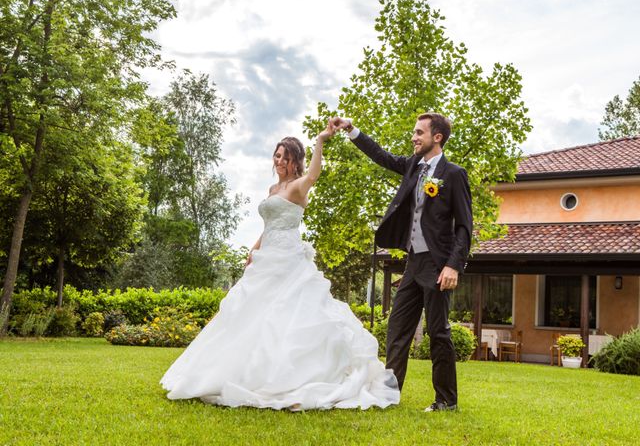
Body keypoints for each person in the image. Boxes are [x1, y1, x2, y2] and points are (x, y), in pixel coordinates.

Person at [160, 122, 399, 411]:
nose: (280, 162)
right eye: (277, 156)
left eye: (286, 157)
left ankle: (288, 376)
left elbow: (314, 174)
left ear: (295, 160)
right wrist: (255, 247)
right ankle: (238, 370)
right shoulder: (273, 187)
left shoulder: (299, 186)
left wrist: (321, 140)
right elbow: (271, 223)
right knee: (248, 313)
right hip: (266, 257)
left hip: (288, 260)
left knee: (285, 316)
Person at [332, 113, 473, 412]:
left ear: (437, 137)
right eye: (414, 132)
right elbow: (381, 156)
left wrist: (453, 265)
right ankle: (388, 394)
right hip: (413, 263)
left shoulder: (454, 174)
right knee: (397, 329)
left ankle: (446, 401)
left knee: (438, 333)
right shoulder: (412, 166)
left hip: (438, 265)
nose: (413, 137)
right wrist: (352, 130)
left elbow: (464, 226)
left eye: (419, 132)